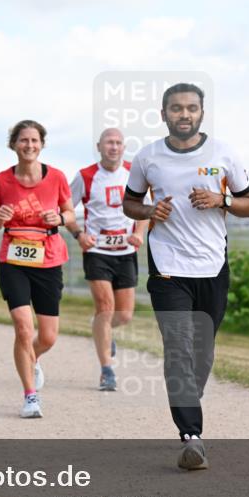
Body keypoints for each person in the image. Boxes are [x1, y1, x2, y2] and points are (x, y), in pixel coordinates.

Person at [122, 83, 249, 470]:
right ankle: (191, 436)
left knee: (203, 351)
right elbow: (130, 203)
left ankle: (187, 395)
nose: (184, 114)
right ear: (163, 114)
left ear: (201, 112)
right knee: (178, 348)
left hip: (212, 267)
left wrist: (222, 200)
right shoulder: (148, 157)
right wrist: (149, 212)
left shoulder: (225, 153)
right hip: (167, 268)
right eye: (176, 108)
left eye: (192, 108)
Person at [0, 120, 75, 419]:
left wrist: (58, 219)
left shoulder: (57, 177)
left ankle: (31, 359)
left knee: (47, 336)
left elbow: (70, 213)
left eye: (35, 140)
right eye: (23, 140)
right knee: (24, 328)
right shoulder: (1, 180)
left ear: (42, 144)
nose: (29, 145)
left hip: (48, 259)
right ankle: (30, 396)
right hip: (13, 260)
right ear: (14, 145)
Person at [65, 128, 147, 391]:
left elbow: (145, 208)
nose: (114, 147)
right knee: (105, 307)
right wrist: (79, 234)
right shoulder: (86, 176)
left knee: (123, 315)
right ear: (99, 147)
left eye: (119, 143)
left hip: (125, 252)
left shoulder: (134, 173)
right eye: (109, 143)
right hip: (97, 250)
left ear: (124, 147)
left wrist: (139, 232)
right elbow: (65, 210)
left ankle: (103, 330)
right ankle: (107, 370)